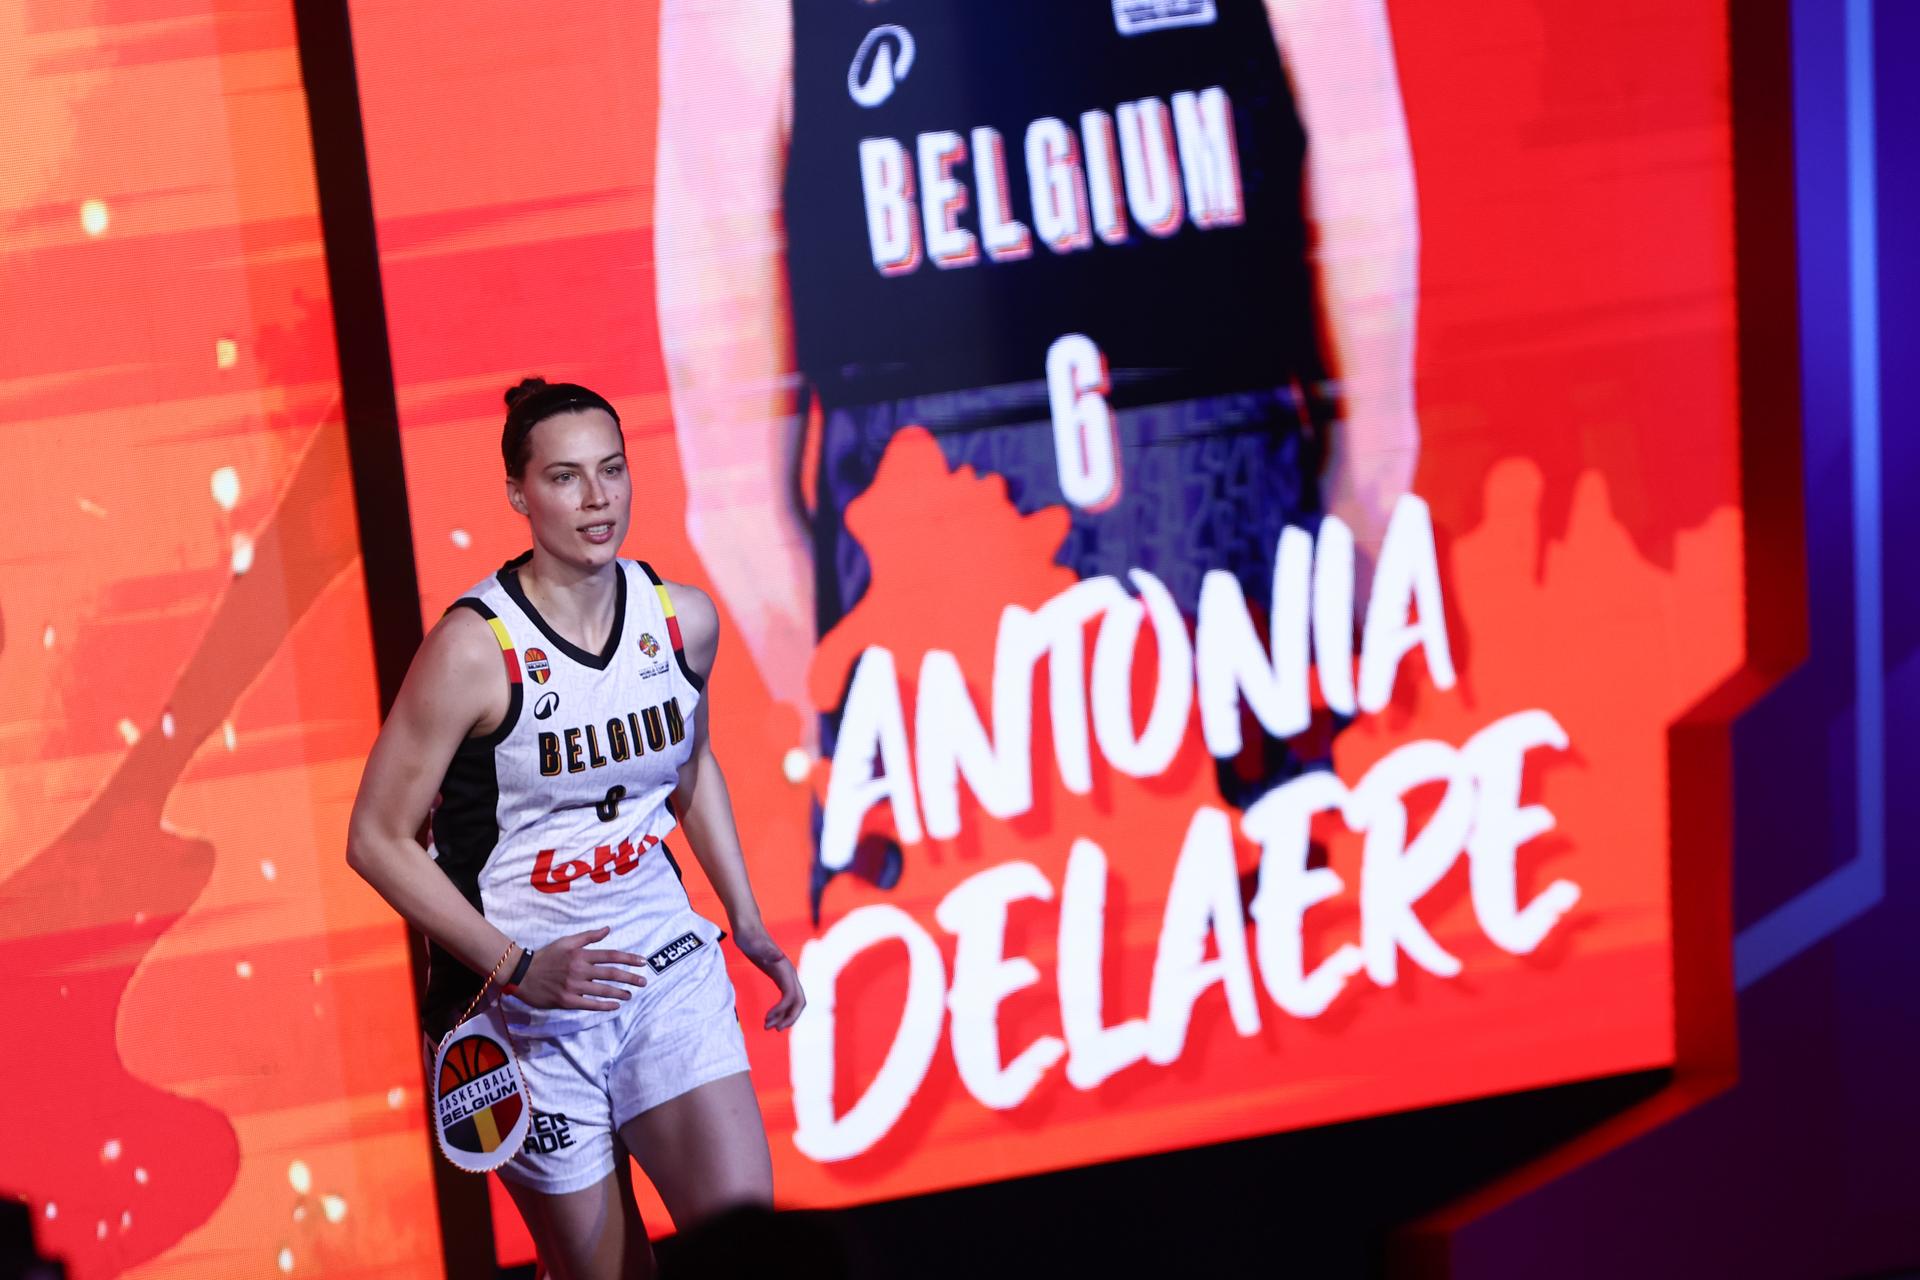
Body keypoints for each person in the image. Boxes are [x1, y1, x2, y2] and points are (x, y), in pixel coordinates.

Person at [658, 0, 1421, 912]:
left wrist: (839, 692)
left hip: (1096, 670)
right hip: (1012, 691)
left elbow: (732, 451)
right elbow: (731, 459)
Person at [347, 379, 804, 1280]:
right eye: (565, 477)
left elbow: (690, 767)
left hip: (665, 969)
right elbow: (376, 838)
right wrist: (516, 965)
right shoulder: (474, 649)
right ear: (518, 494)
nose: (597, 499)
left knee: (751, 1259)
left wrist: (746, 921)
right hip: (519, 1008)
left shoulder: (681, 620)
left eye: (612, 471)